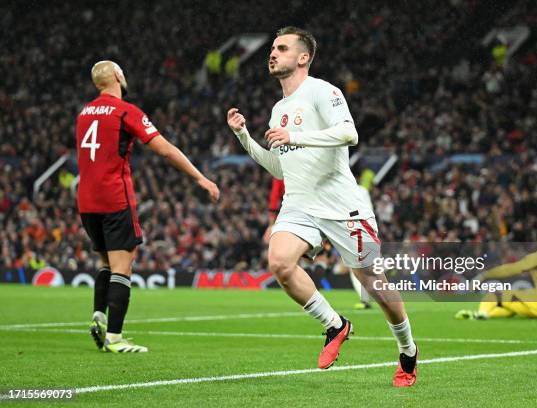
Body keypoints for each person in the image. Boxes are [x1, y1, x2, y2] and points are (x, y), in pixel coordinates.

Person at [227, 27, 417, 387]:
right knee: (280, 262)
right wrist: (244, 137)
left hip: (341, 204)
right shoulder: (278, 109)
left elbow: (349, 134)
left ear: (302, 57)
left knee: (373, 283)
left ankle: (407, 349)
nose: (272, 53)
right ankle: (335, 325)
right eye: (272, 48)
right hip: (299, 202)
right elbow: (280, 168)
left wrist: (295, 136)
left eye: (281, 48)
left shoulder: (323, 91)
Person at [77, 60, 219, 353]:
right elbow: (165, 149)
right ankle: (114, 338)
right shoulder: (126, 111)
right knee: (123, 267)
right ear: (118, 75)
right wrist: (201, 178)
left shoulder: (84, 113)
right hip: (114, 197)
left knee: (106, 263)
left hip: (86, 201)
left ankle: (99, 316)